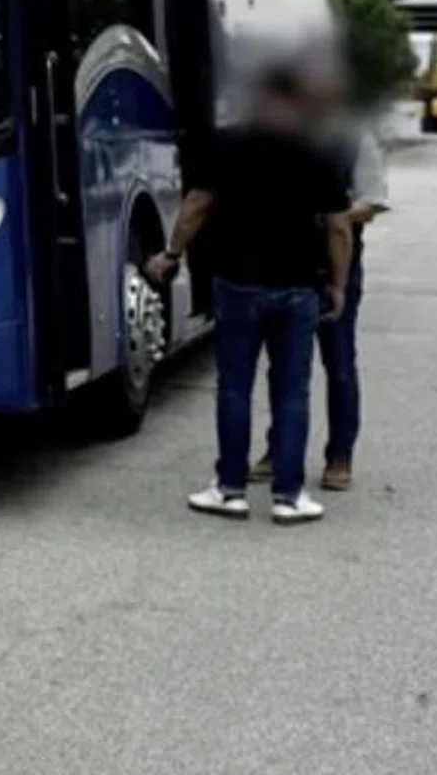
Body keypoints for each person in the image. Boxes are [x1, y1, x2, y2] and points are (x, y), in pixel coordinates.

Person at [146, 62, 353, 524]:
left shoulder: (228, 143)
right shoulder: (319, 148)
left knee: (234, 387)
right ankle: (289, 496)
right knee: (292, 392)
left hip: (238, 283)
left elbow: (196, 205)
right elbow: (339, 227)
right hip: (299, 286)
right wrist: (338, 286)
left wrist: (172, 253)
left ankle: (230, 489)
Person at [252, 103, 389, 493]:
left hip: (337, 262)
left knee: (339, 362)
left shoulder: (354, 137)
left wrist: (330, 213)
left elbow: (372, 202)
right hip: (288, 261)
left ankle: (340, 454)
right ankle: (278, 448)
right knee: (284, 364)